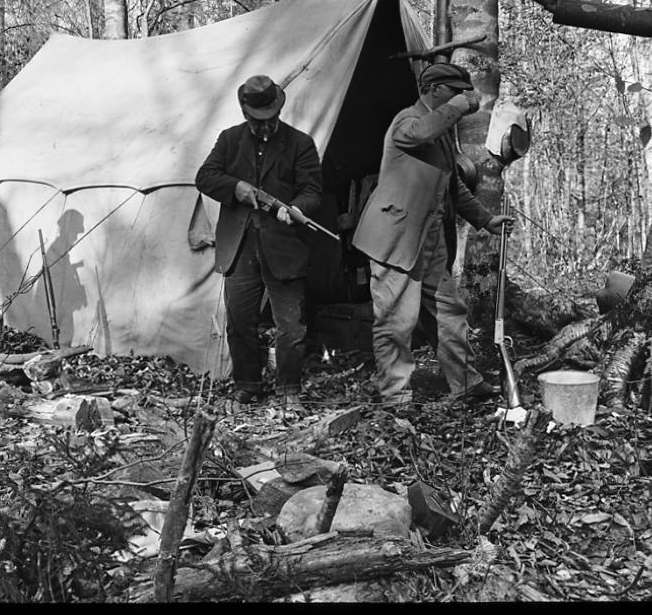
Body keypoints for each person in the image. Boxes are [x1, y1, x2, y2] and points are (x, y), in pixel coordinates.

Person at [352, 62, 514, 406]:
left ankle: (467, 384)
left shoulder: (439, 129)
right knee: (397, 320)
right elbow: (418, 134)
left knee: (449, 312)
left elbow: (451, 182)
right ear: (435, 90)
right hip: (395, 240)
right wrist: (457, 107)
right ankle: (395, 397)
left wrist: (485, 220)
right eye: (455, 91)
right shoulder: (408, 120)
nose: (462, 98)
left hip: (429, 238)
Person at [196, 74, 322, 412]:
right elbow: (204, 177)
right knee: (239, 321)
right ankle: (247, 383)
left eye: (270, 119)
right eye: (257, 120)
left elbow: (312, 191)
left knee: (291, 326)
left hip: (284, 246)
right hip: (239, 246)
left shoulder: (301, 144)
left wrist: (296, 209)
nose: (265, 126)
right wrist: (235, 188)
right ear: (245, 113)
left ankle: (289, 388)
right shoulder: (228, 140)